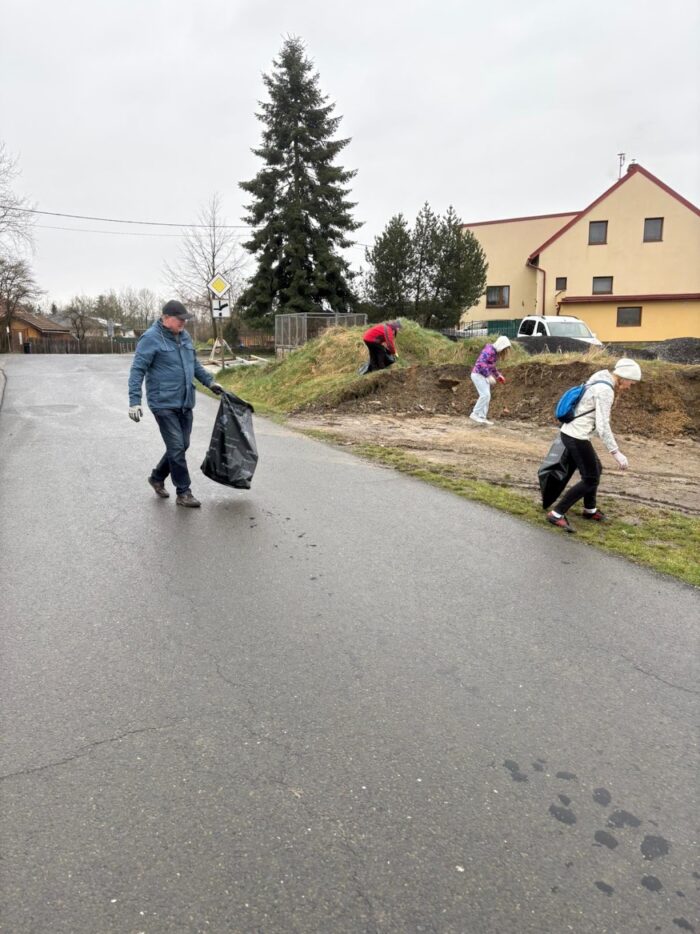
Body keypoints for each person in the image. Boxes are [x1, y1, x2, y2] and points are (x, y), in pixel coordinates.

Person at [128, 299, 223, 508]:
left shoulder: (185, 336)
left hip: (185, 400)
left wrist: (210, 382)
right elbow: (137, 370)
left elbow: (194, 364)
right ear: (165, 318)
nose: (183, 323)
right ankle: (184, 492)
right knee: (177, 447)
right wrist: (134, 401)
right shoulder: (150, 338)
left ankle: (156, 477)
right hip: (163, 402)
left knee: (182, 445)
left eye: (185, 319)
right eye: (180, 319)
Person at [546, 358, 642, 532]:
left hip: (572, 432)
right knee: (590, 479)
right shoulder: (606, 391)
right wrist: (616, 452)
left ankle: (589, 510)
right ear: (624, 377)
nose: (630, 386)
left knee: (596, 469)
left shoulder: (600, 377)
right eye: (631, 382)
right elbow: (603, 425)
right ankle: (557, 514)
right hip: (577, 436)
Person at [469, 336, 511, 425]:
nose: (504, 351)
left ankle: (482, 417)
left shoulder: (494, 353)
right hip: (477, 374)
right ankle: (475, 414)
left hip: (482, 375)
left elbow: (492, 366)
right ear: (501, 345)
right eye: (504, 349)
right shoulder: (489, 350)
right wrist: (488, 375)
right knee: (485, 395)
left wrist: (498, 375)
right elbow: (481, 363)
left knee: (487, 396)